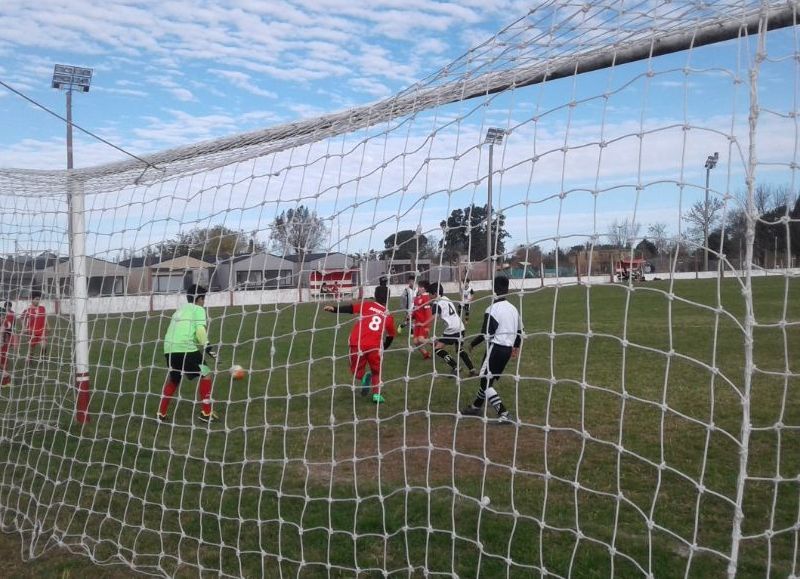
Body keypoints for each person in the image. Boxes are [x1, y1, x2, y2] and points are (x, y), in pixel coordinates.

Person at [462, 276, 522, 425]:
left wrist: (472, 344)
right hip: (507, 350)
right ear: (507, 289)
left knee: (485, 380)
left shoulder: (492, 309)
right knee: (488, 379)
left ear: (493, 288)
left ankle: (504, 413)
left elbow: (485, 333)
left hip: (496, 348)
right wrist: (515, 347)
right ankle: (476, 406)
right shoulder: (514, 309)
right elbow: (520, 331)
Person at [324, 285, 396, 404]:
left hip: (357, 343)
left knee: (356, 371)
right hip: (374, 346)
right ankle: (376, 396)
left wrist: (335, 309)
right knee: (376, 372)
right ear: (388, 298)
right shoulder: (388, 316)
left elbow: (350, 309)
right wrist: (385, 347)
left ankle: (363, 378)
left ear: (375, 295)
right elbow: (391, 335)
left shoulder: (367, 305)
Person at [158, 285, 219, 423]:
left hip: (169, 349)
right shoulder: (198, 309)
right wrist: (207, 346)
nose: (204, 302)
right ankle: (206, 413)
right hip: (185, 348)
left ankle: (161, 413)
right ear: (199, 299)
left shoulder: (179, 311)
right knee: (206, 373)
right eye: (204, 299)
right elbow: (199, 331)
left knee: (174, 379)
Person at [429, 283, 477, 378]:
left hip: (452, 329)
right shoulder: (446, 298)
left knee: (437, 349)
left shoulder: (436, 303)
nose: (429, 296)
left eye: (430, 294)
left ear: (434, 294)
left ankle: (456, 367)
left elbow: (435, 316)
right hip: (460, 326)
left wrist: (422, 323)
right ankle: (472, 370)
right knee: (460, 350)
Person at [19, 291, 47, 363]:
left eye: (39, 299)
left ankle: (42, 357)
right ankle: (30, 358)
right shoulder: (28, 310)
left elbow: (45, 318)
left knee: (43, 346)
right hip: (32, 332)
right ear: (32, 299)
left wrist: (47, 327)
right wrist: (24, 327)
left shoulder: (42, 308)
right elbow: (22, 318)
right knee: (32, 347)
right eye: (36, 299)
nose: (38, 301)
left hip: (41, 331)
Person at [411, 280, 433, 360]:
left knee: (421, 339)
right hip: (417, 323)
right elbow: (416, 311)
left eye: (420, 287)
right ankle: (426, 354)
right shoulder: (417, 299)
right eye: (419, 287)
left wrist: (427, 325)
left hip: (424, 323)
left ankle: (433, 342)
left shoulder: (427, 298)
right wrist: (411, 316)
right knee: (416, 342)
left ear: (424, 289)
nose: (419, 288)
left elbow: (429, 314)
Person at [1, 301, 15, 385]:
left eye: (2, 316)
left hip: (3, 344)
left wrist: (4, 338)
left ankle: (7, 378)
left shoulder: (6, 322)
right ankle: (6, 375)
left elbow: (8, 329)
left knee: (3, 361)